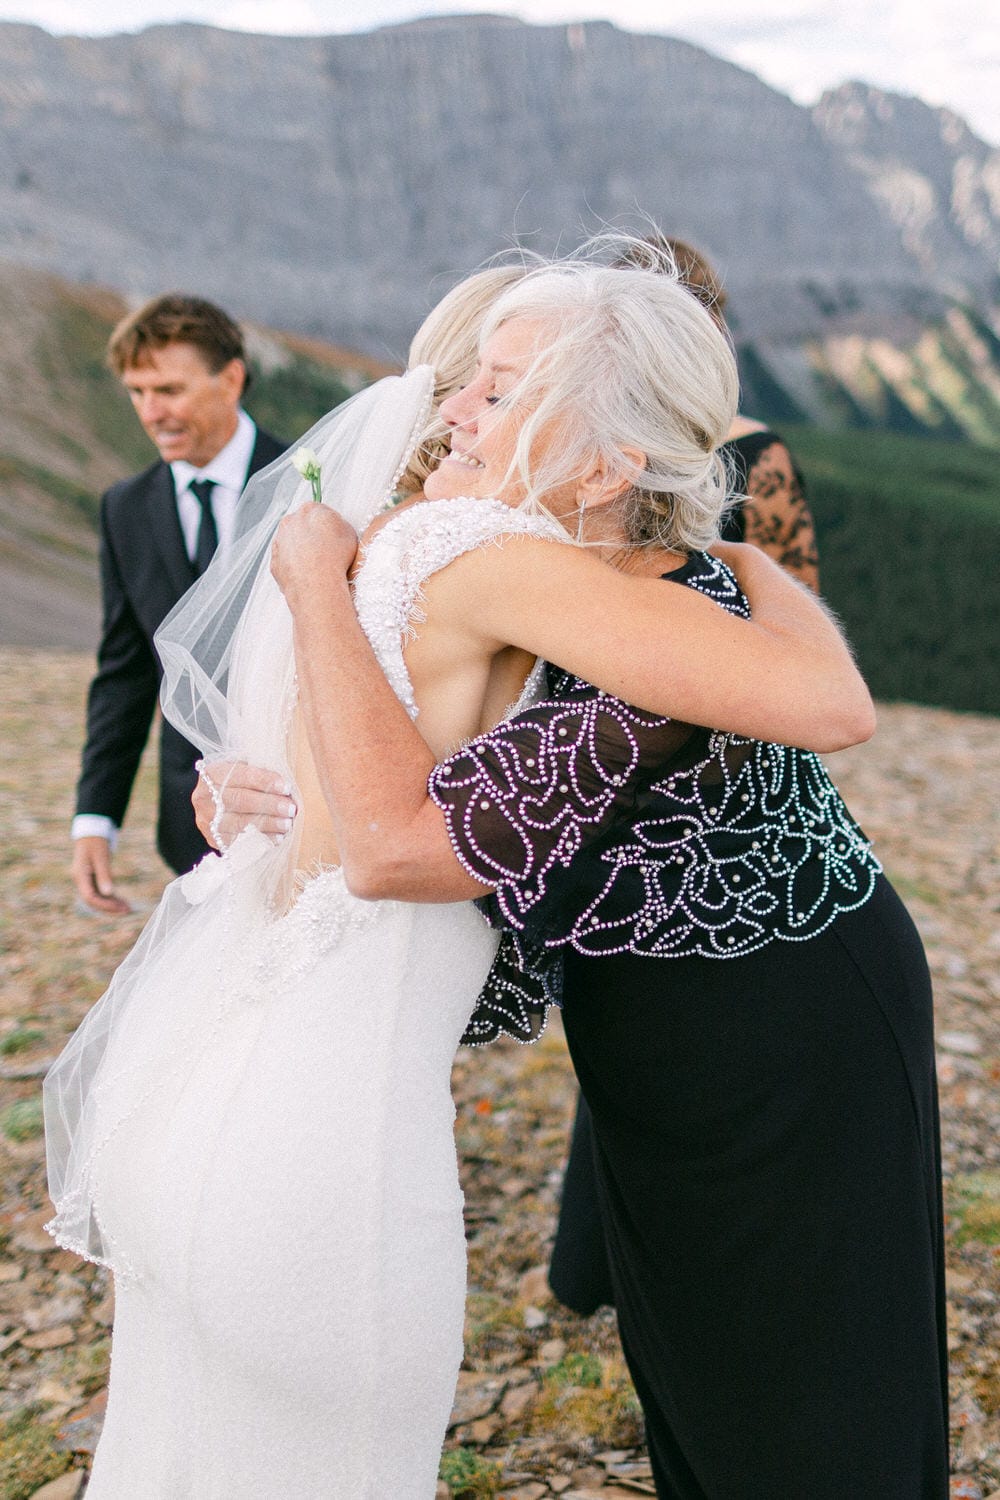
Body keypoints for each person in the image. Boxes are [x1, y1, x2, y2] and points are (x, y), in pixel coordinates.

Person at [47, 250, 879, 1498]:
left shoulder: (380, 543)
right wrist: (755, 569)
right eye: (471, 386)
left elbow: (296, 778)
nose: (450, 413)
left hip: (206, 1080)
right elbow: (829, 703)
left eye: (494, 393)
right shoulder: (480, 550)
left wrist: (245, 766)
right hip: (327, 1136)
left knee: (188, 1453)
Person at [551, 234, 823, 1315]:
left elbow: (795, 643)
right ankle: (601, 1252)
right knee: (613, 1022)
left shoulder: (755, 461)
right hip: (584, 779)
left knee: (697, 1035)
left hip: (709, 797)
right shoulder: (572, 456)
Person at [71, 293, 286, 913]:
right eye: (137, 392)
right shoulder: (125, 509)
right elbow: (126, 671)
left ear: (232, 379)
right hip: (185, 821)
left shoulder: (310, 477)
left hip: (299, 804)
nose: (150, 412)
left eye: (168, 389)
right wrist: (95, 817)